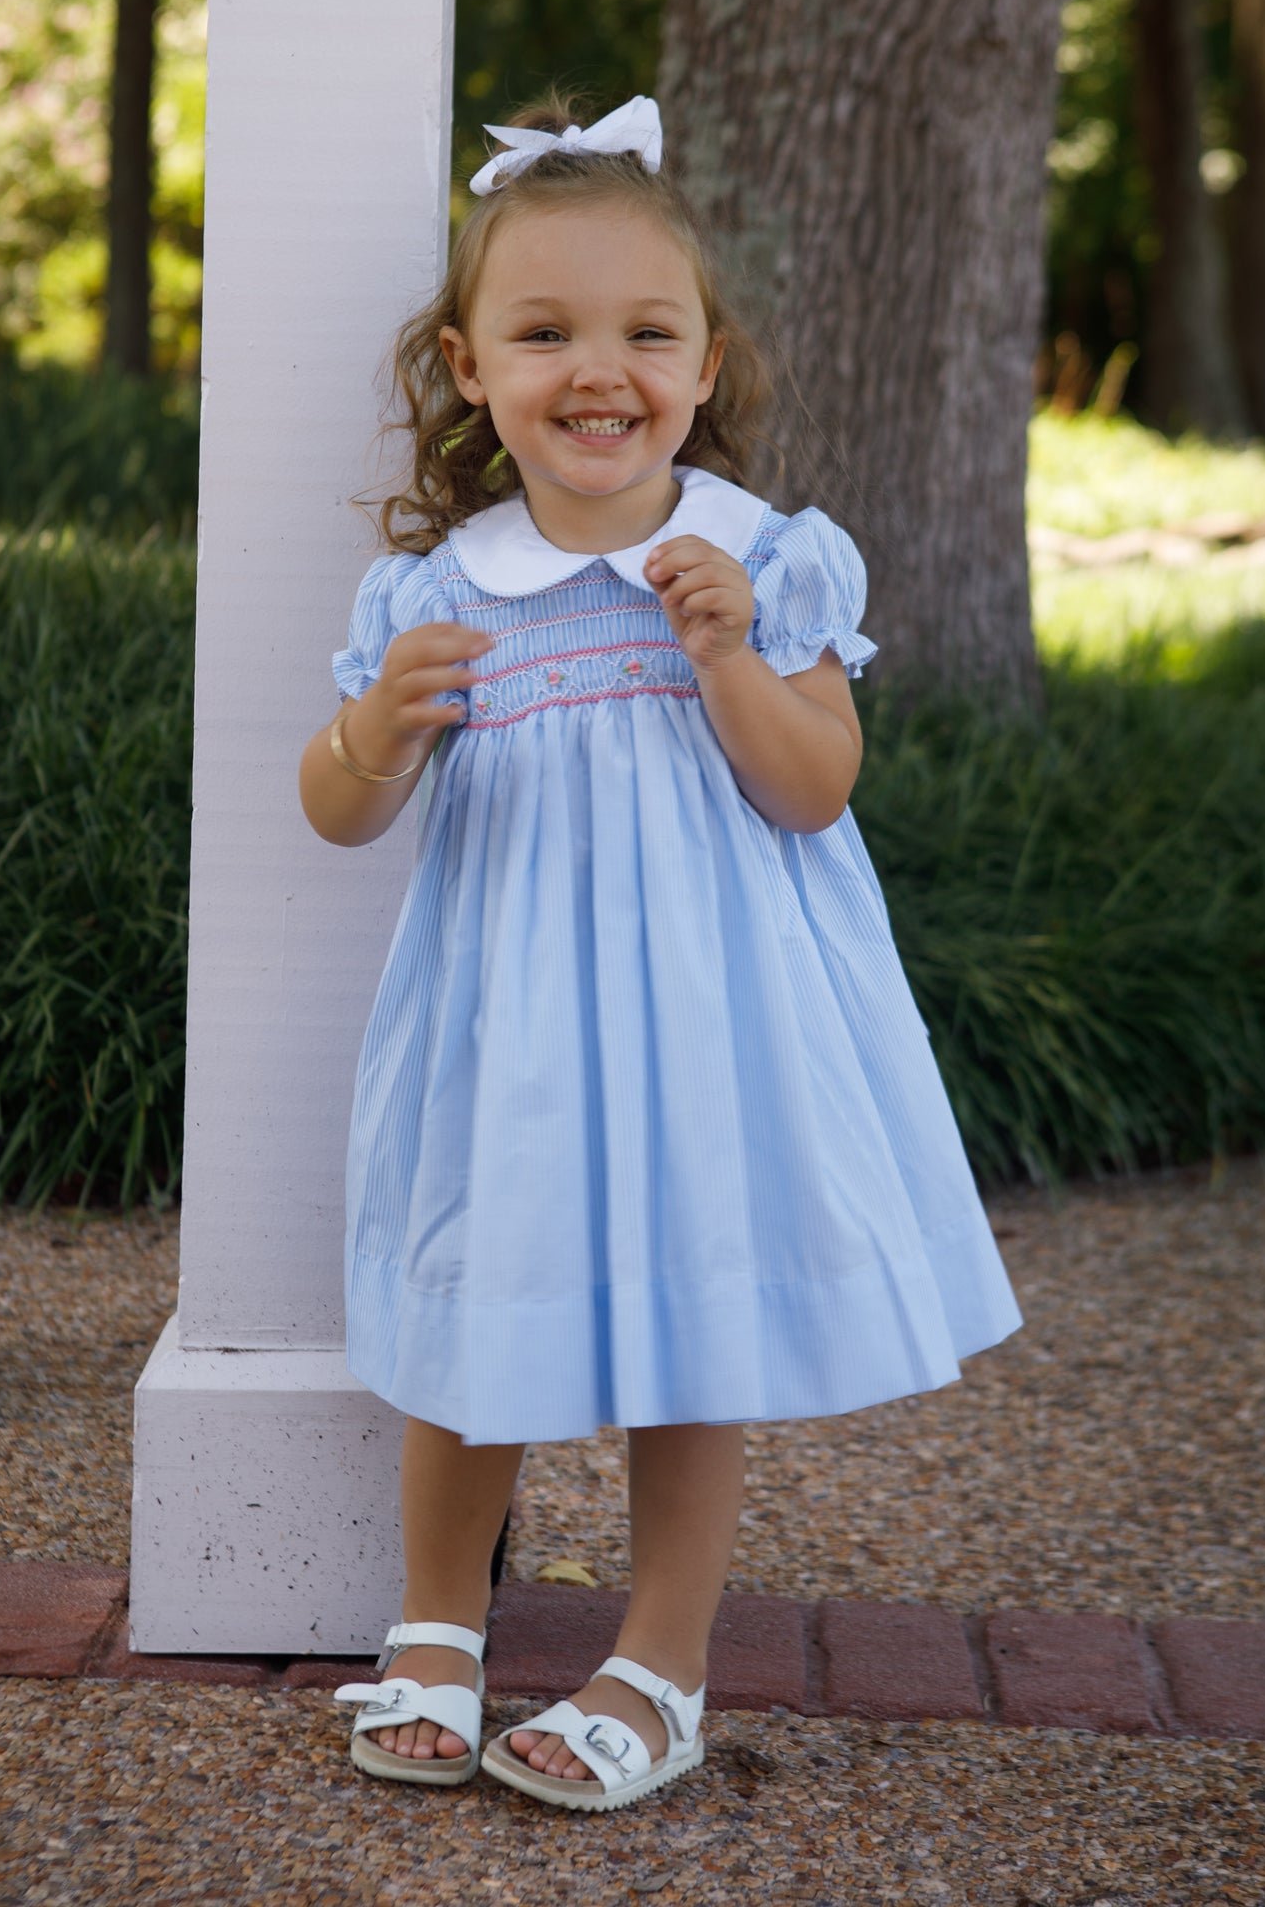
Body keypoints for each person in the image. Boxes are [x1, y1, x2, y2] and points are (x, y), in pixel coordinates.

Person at [298, 93, 1022, 1813]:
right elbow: (338, 813)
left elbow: (812, 788)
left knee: (691, 1319)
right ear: (469, 367)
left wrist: (728, 662)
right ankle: (436, 1624)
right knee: (479, 1296)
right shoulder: (439, 590)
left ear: (704, 365)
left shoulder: (760, 557)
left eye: (645, 332)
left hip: (706, 1015)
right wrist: (376, 733)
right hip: (509, 1018)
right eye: (543, 332)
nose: (597, 370)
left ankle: (660, 1661)